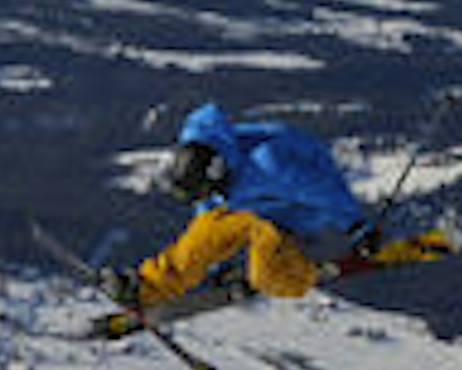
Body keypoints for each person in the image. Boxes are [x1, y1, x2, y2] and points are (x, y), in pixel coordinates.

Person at [108, 102, 371, 312]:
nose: (205, 196)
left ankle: (296, 271)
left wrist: (357, 227)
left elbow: (325, 190)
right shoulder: (206, 165)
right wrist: (217, 266)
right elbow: (206, 227)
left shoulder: (270, 165)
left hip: (294, 212)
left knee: (268, 275)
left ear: (216, 171)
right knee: (205, 230)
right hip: (253, 212)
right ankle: (146, 287)